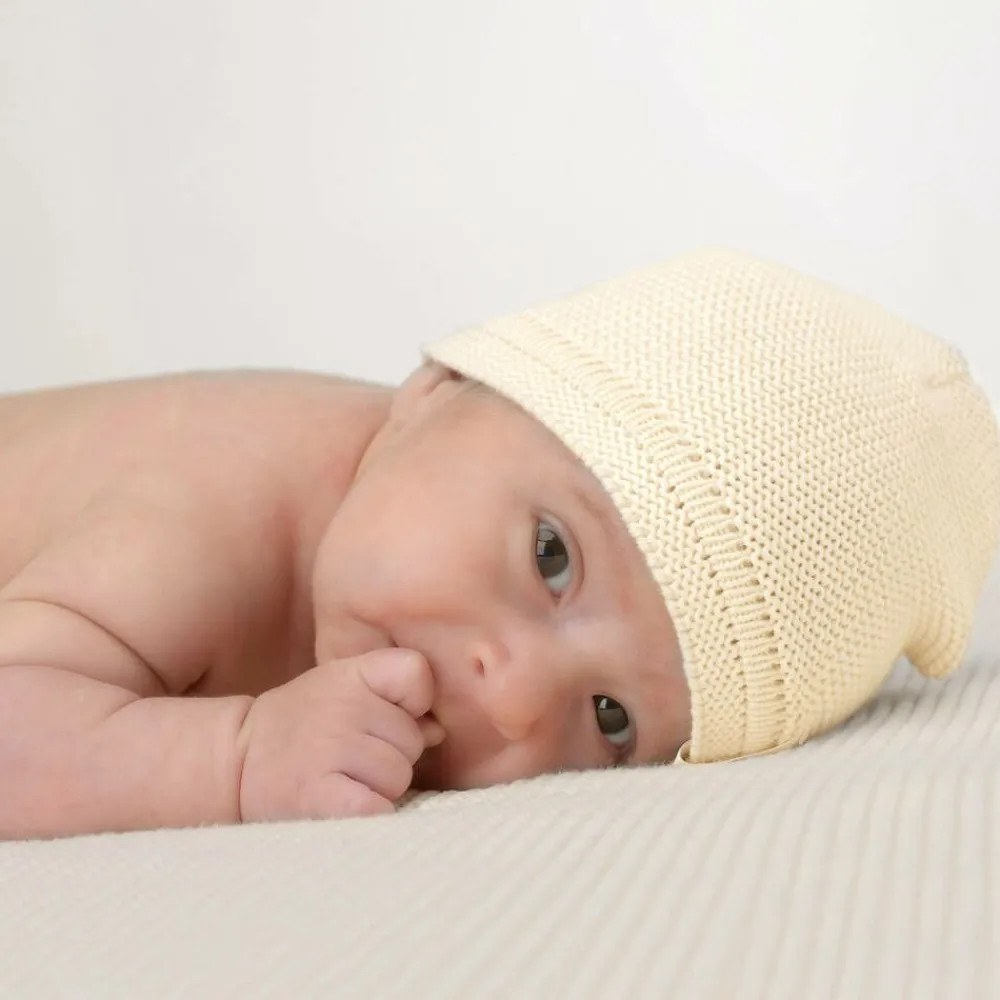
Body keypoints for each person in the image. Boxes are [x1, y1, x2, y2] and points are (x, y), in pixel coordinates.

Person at [1, 248, 996, 839]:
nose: (515, 700)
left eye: (610, 719)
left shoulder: (403, 502)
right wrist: (235, 758)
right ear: (438, 390)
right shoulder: (217, 499)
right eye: (551, 556)